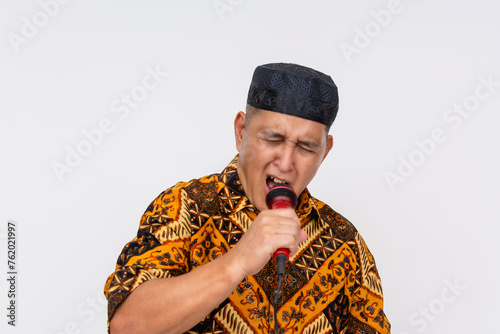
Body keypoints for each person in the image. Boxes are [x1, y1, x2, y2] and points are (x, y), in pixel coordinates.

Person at [104, 63, 391, 334]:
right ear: (242, 131)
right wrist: (237, 262)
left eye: (306, 147)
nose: (286, 162)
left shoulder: (345, 242)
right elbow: (127, 326)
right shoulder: (185, 207)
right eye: (273, 139)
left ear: (325, 152)